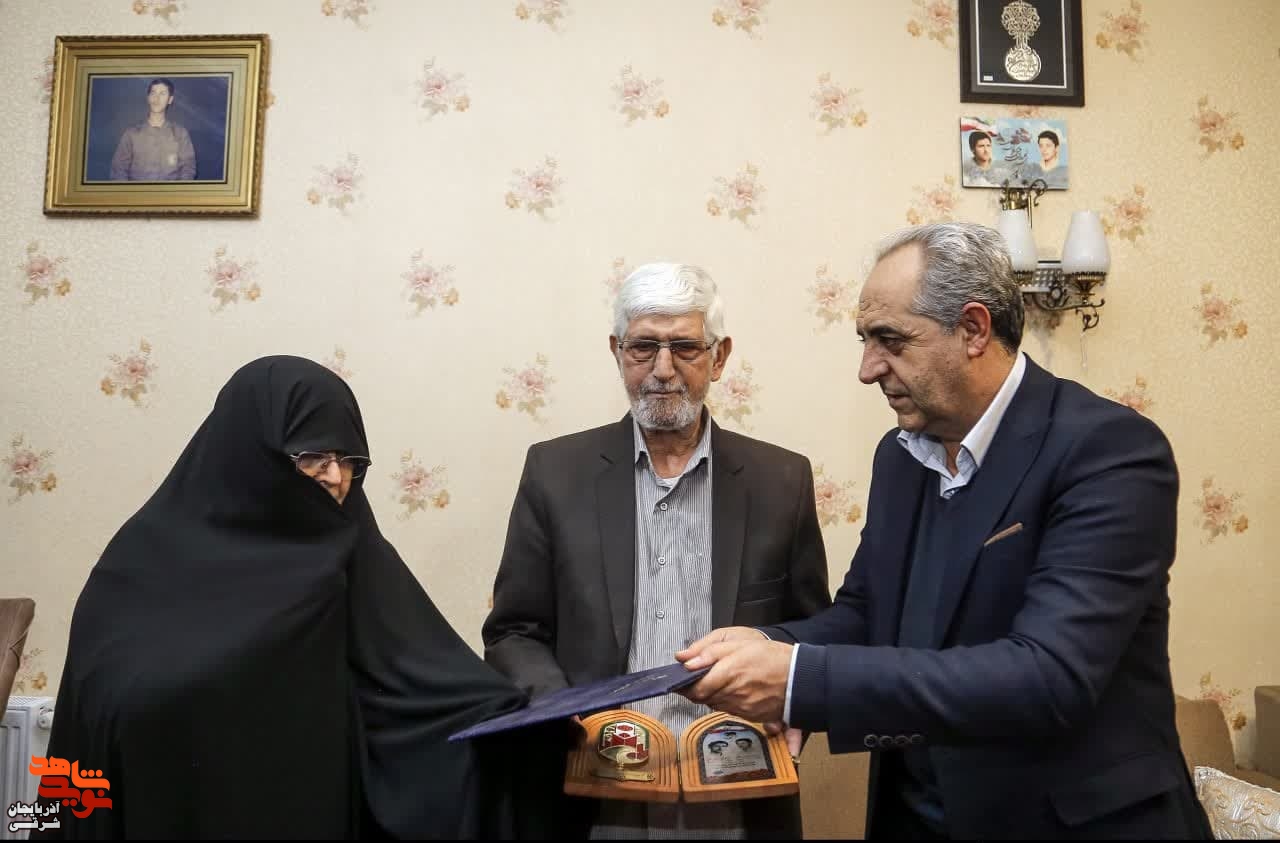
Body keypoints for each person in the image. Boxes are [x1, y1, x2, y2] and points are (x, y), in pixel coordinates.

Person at [676, 223, 1213, 840]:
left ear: (974, 329)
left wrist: (800, 681)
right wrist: (765, 645)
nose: (867, 369)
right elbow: (867, 615)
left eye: (890, 340)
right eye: (865, 340)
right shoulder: (900, 456)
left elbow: (1050, 677)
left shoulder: (1108, 450)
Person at [35, 355, 565, 839]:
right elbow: (105, 709)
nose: (335, 477)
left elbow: (425, 682)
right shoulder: (140, 563)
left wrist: (522, 727)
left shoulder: (351, 551)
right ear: (251, 453)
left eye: (349, 458)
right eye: (313, 456)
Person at [482, 262, 832, 839]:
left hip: (739, 800)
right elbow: (514, 630)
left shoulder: (781, 480)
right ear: (617, 351)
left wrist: (796, 704)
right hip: (593, 796)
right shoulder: (554, 472)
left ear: (718, 357)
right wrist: (559, 710)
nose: (663, 370)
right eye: (644, 347)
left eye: (685, 347)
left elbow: (813, 630)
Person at [108, 78, 196, 181]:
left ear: (170, 100)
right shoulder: (131, 134)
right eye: (153, 93)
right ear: (148, 97)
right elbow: (118, 170)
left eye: (162, 93)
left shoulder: (180, 134)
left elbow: (188, 168)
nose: (156, 98)